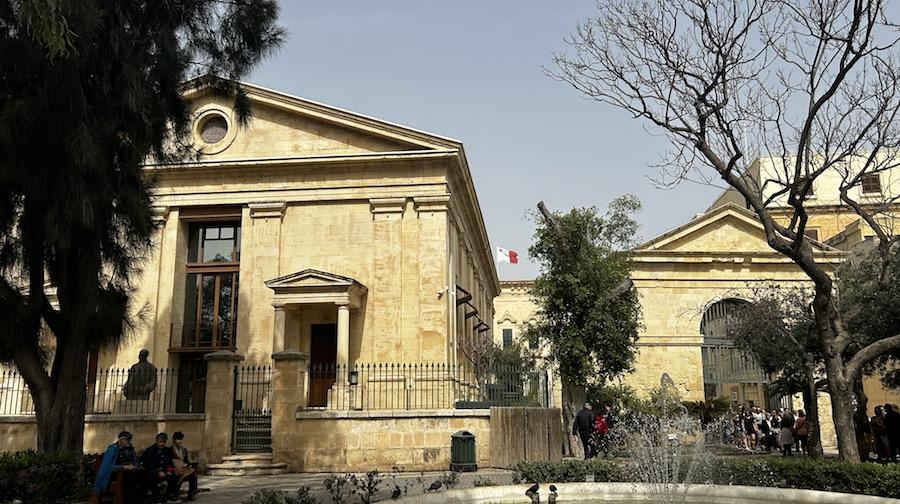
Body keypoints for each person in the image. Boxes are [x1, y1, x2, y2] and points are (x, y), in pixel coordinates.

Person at [94, 431, 144, 503]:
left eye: (130, 439)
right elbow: (107, 468)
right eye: (127, 439)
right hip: (113, 475)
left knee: (143, 474)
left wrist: (135, 466)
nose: (129, 441)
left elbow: (136, 461)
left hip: (128, 472)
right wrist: (124, 467)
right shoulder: (112, 449)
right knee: (131, 478)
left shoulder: (130, 449)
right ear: (121, 440)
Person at [140, 432, 177, 501]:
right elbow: (147, 464)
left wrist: (169, 470)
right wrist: (158, 471)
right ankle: (157, 495)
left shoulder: (167, 450)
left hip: (164, 470)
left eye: (164, 442)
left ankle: (169, 494)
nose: (162, 444)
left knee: (173, 475)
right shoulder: (150, 450)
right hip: (152, 471)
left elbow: (170, 463)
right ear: (156, 441)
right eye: (160, 442)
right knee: (151, 476)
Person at [170, 431, 198, 501]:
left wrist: (187, 465)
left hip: (183, 469)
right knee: (190, 474)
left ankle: (191, 494)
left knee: (192, 474)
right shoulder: (170, 450)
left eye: (181, 439)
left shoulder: (184, 450)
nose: (180, 441)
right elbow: (168, 462)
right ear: (174, 439)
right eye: (178, 439)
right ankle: (175, 493)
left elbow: (186, 461)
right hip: (174, 470)